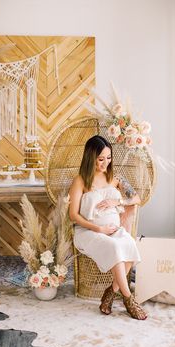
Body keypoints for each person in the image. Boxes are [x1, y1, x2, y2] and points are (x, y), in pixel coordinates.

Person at [69, 135, 147, 320]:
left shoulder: (115, 178)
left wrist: (118, 200)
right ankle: (129, 300)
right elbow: (73, 215)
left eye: (109, 158)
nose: (105, 163)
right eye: (101, 159)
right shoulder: (81, 181)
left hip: (114, 230)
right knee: (114, 248)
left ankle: (110, 293)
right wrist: (98, 230)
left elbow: (136, 199)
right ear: (90, 157)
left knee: (129, 245)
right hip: (89, 231)